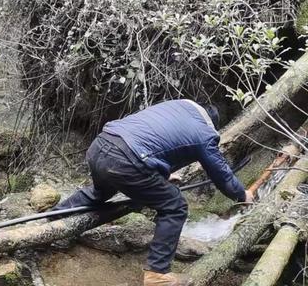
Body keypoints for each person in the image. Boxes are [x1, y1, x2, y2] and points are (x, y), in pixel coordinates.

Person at [51, 99, 253, 286]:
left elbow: (154, 138)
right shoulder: (204, 132)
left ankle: (55, 219)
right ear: (212, 123)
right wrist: (242, 195)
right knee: (175, 206)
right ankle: (157, 273)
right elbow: (221, 175)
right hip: (127, 161)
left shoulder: (177, 107)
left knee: (99, 192)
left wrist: (159, 174)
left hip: (102, 145)